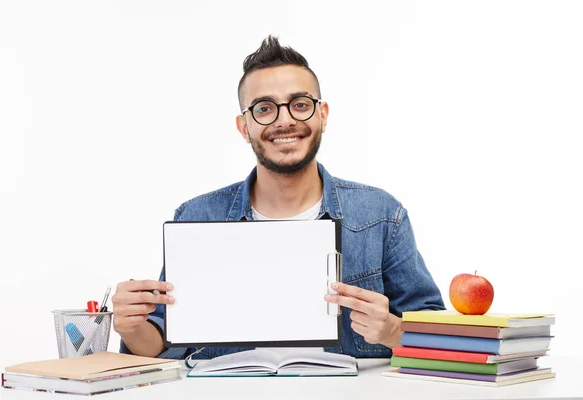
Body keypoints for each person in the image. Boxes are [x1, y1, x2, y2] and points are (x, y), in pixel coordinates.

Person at [112, 36, 445, 360]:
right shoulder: (196, 216)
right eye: (265, 108)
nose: (285, 120)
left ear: (322, 115)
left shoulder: (382, 215)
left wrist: (390, 330)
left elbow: (440, 339)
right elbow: (158, 341)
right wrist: (131, 326)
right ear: (244, 127)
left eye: (300, 104)